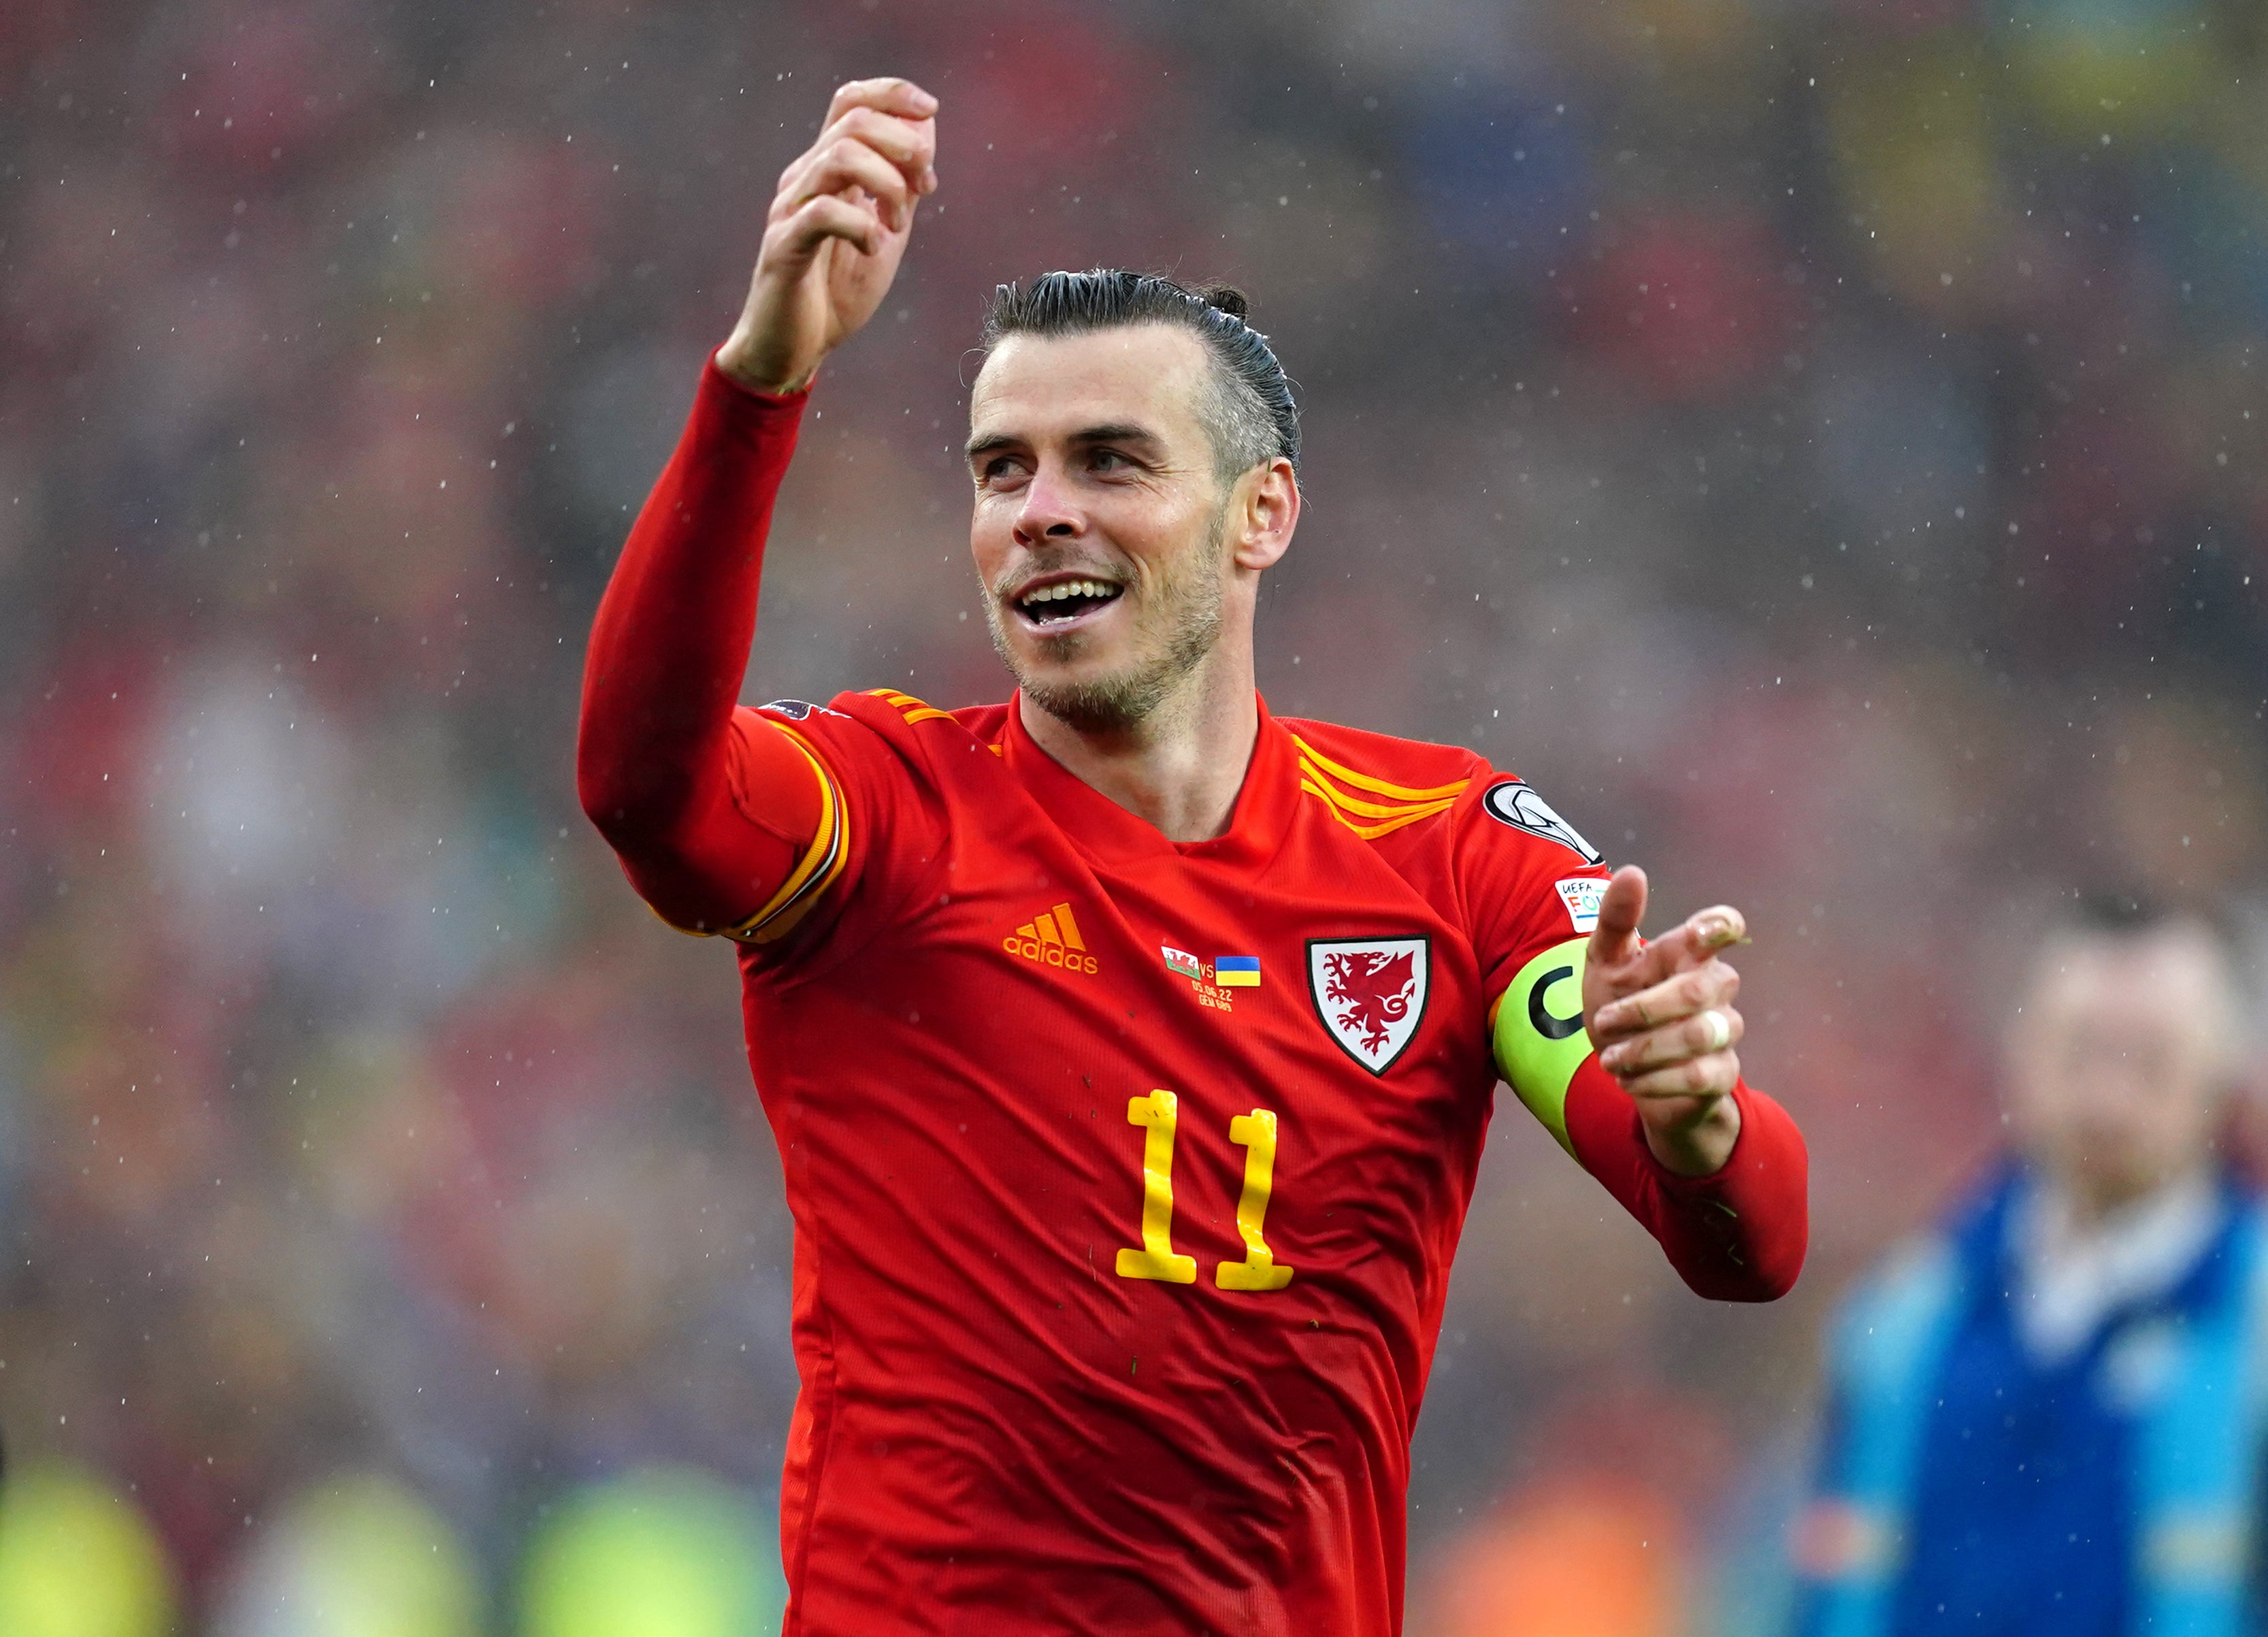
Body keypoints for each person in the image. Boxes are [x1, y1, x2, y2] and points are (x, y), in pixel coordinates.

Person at [576, 76, 1809, 1636]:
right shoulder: (891, 811)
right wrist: (763, 379)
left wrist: (1693, 1118)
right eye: (1001, 468)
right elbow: (643, 790)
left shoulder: (1451, 857)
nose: (1039, 511)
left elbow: (1750, 1240)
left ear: (1259, 514)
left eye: (1108, 460)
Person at [1788, 894, 2265, 1637]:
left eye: (2149, 1056)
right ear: (2020, 1054)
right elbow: (1825, 1584)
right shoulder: (1898, 1322)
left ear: (2224, 1075)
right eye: (2082, 1049)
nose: (2108, 1096)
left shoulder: (2251, 1330)